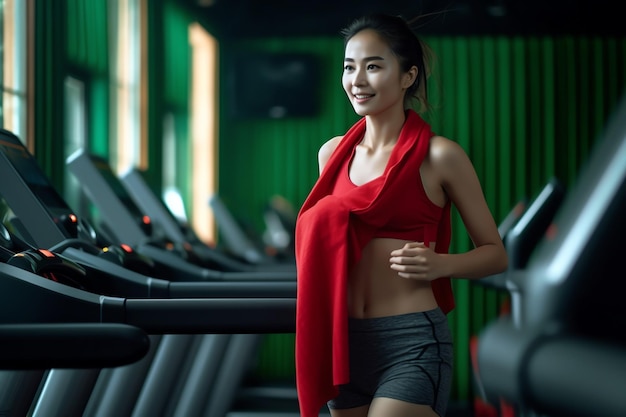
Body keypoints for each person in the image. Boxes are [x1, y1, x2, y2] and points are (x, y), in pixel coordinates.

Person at [294, 13, 508, 417]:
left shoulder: (440, 156)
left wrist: (440, 264)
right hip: (344, 342)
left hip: (411, 340)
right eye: (349, 66)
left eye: (373, 66)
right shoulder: (331, 154)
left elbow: (496, 254)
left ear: (408, 76)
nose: (357, 80)